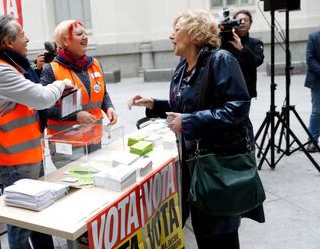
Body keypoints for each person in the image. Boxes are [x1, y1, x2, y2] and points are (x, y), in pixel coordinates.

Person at [128, 9, 264, 249]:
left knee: (221, 233)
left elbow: (238, 107)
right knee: (204, 230)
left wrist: (189, 122)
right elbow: (184, 106)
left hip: (217, 166)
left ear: (194, 33)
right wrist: (153, 104)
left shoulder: (221, 59)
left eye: (177, 30)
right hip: (194, 165)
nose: (171, 36)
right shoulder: (183, 67)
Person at [0, 15, 74, 249]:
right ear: (8, 42)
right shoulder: (2, 72)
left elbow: (32, 98)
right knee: (20, 222)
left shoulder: (13, 66)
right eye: (22, 35)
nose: (28, 39)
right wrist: (61, 83)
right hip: (14, 160)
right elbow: (41, 98)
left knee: (33, 215)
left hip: (25, 155)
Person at [40, 20, 117, 165]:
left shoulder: (95, 64)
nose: (85, 37)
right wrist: (76, 116)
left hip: (94, 140)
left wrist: (109, 107)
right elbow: (43, 107)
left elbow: (103, 93)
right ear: (65, 40)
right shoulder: (51, 70)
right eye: (79, 34)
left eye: (85, 33)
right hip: (66, 146)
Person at [221, 9, 264, 98]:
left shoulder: (256, 43)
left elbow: (257, 61)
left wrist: (242, 48)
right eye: (239, 20)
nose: (243, 22)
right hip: (225, 88)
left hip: (245, 90)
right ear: (233, 23)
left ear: (250, 24)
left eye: (246, 20)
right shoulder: (223, 42)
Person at [304, 30, 320, 152]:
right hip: (318, 79)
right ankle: (313, 141)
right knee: (317, 111)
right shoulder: (313, 36)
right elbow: (310, 59)